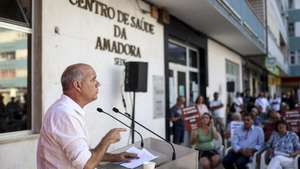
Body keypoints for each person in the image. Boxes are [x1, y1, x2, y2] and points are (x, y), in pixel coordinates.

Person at [37, 63, 137, 169]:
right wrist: (107, 140)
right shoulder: (65, 114)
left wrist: (114, 157)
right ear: (78, 85)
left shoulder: (66, 110)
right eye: (93, 79)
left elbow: (83, 155)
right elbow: (87, 165)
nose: (98, 84)